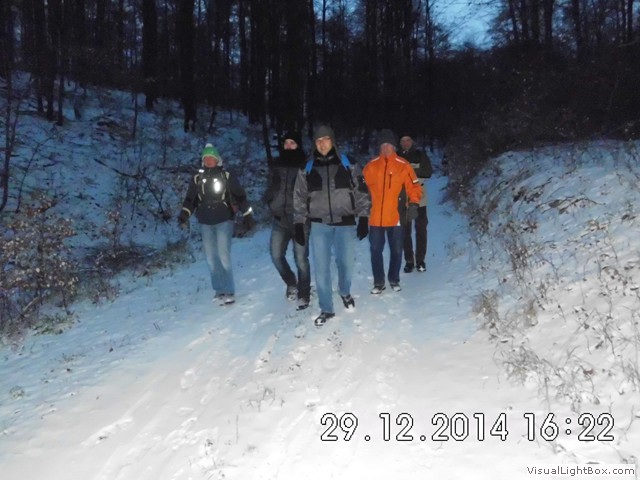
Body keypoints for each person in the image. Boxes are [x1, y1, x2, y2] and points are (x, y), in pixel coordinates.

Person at [293, 125, 370, 326]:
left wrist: (363, 217)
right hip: (319, 226)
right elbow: (299, 197)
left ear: (332, 141)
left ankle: (344, 291)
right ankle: (326, 308)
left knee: (346, 264)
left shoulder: (348, 163)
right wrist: (299, 223)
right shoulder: (307, 168)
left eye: (325, 139)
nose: (322, 143)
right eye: (318, 140)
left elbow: (361, 190)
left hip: (345, 224)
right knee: (321, 269)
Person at [177, 143, 256, 305]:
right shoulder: (197, 178)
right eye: (206, 158)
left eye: (211, 157)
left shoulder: (226, 175)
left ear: (217, 159)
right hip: (205, 221)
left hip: (224, 219)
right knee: (211, 258)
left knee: (223, 255)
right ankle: (219, 290)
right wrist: (184, 214)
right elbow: (191, 199)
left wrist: (248, 215)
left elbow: (240, 196)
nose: (208, 160)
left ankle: (229, 290)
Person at [362, 129, 422, 294]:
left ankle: (394, 279)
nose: (386, 148)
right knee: (375, 250)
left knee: (396, 250)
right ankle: (379, 282)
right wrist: (362, 209)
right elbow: (361, 189)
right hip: (375, 218)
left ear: (394, 146)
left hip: (396, 216)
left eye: (389, 144)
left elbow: (414, 187)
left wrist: (414, 204)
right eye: (383, 145)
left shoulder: (403, 165)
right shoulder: (371, 166)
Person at [265, 130, 311, 310]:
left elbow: (311, 193)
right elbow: (271, 186)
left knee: (301, 259)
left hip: (300, 220)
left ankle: (304, 293)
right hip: (280, 220)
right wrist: (270, 201)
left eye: (292, 143)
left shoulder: (306, 165)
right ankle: (291, 283)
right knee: (276, 255)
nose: (289, 146)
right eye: (286, 143)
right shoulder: (277, 164)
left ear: (298, 145)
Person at [398, 133, 433, 273]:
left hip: (419, 196)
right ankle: (409, 261)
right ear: (400, 143)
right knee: (405, 230)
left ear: (412, 141)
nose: (405, 143)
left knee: (421, 228)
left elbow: (427, 172)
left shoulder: (420, 155)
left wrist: (407, 170)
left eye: (408, 140)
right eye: (403, 140)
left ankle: (420, 260)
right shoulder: (396, 156)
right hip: (402, 196)